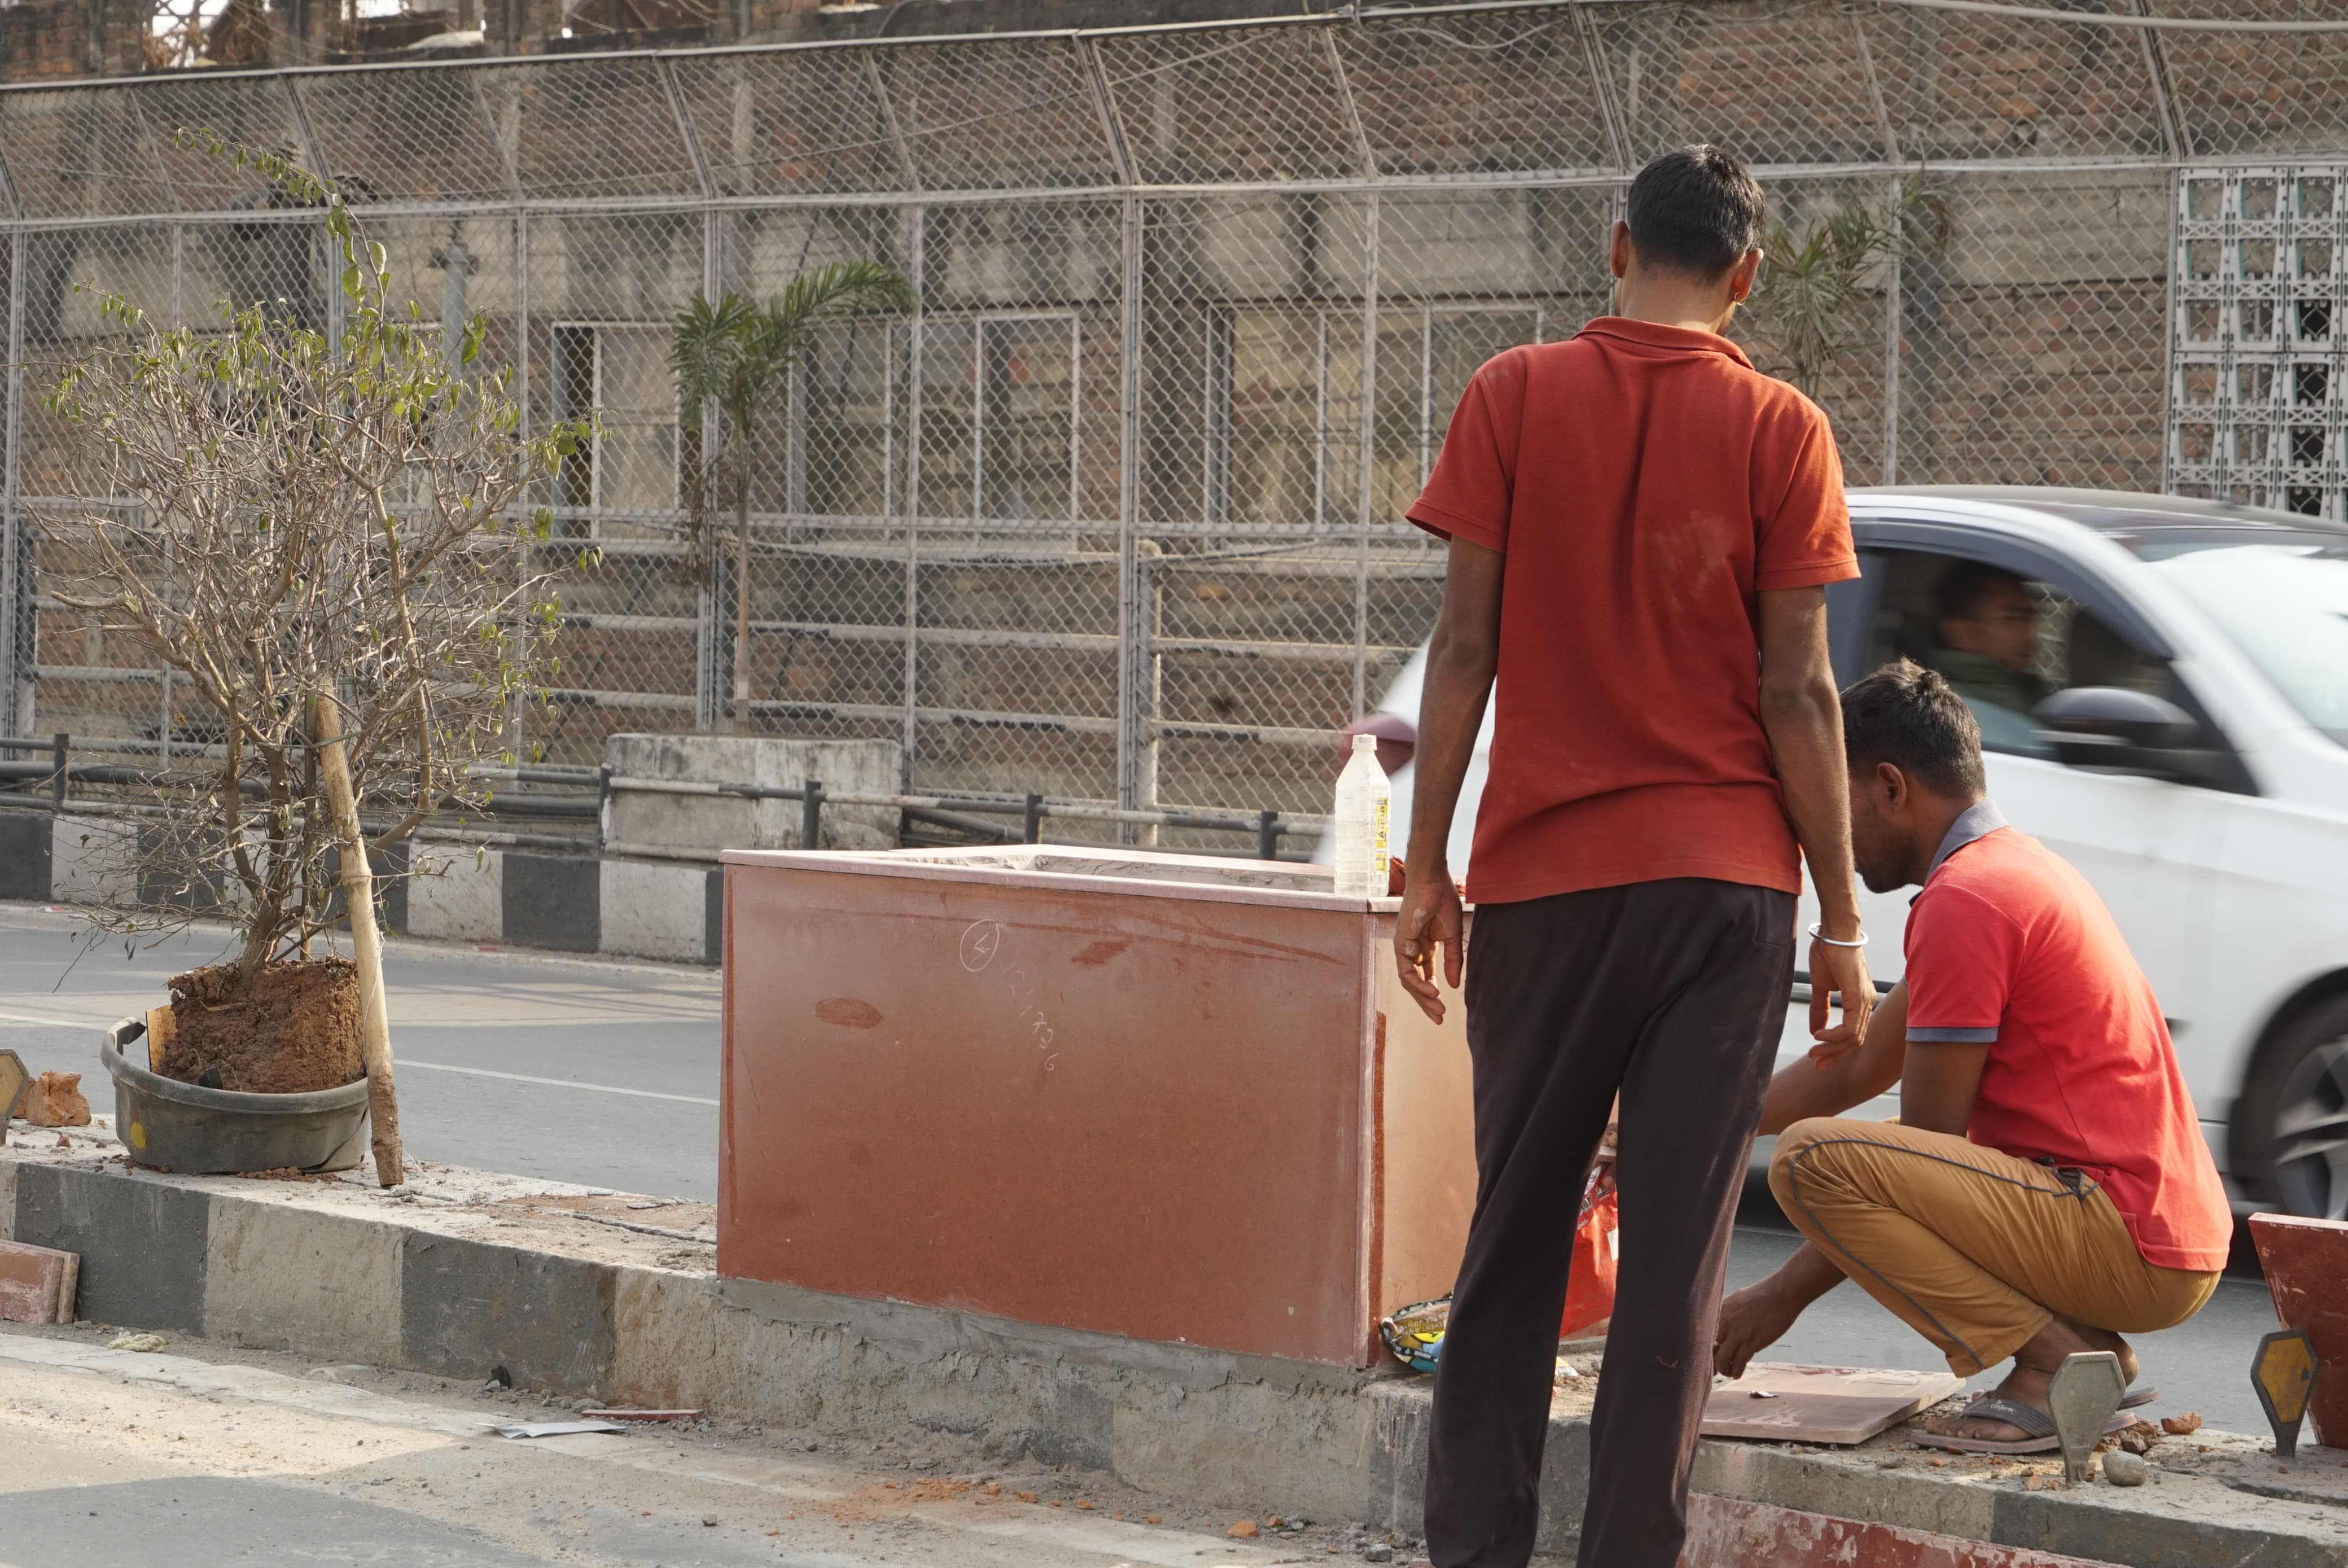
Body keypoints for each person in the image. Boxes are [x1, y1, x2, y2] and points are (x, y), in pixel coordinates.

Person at [1392, 145, 1876, 1568]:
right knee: (1673, 1260)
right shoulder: (1783, 428)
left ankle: (1476, 1546)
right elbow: (1799, 690)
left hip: (1543, 886)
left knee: (1517, 1237)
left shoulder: (1511, 394)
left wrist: (1429, 865)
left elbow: (1464, 647)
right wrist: (1842, 915)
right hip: (1724, 892)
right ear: (1747, 274)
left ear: (1616, 249)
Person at [1713, 660, 2231, 1453]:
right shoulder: (2001, 871)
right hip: (2156, 1232)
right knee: (1838, 1150)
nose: (1830, 842)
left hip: (2125, 1232)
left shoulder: (1969, 899)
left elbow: (1921, 1159)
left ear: (1890, 787)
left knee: (1814, 1163)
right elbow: (1855, 1069)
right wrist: (1681, 1130)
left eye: (1833, 805)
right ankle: (2088, 1349)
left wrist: (1773, 1298)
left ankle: (2059, 1360)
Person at [1930, 562, 2052, 719]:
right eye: (2012, 619)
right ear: (1962, 631)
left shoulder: (2029, 692)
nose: (2030, 634)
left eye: (2030, 620)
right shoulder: (1949, 709)